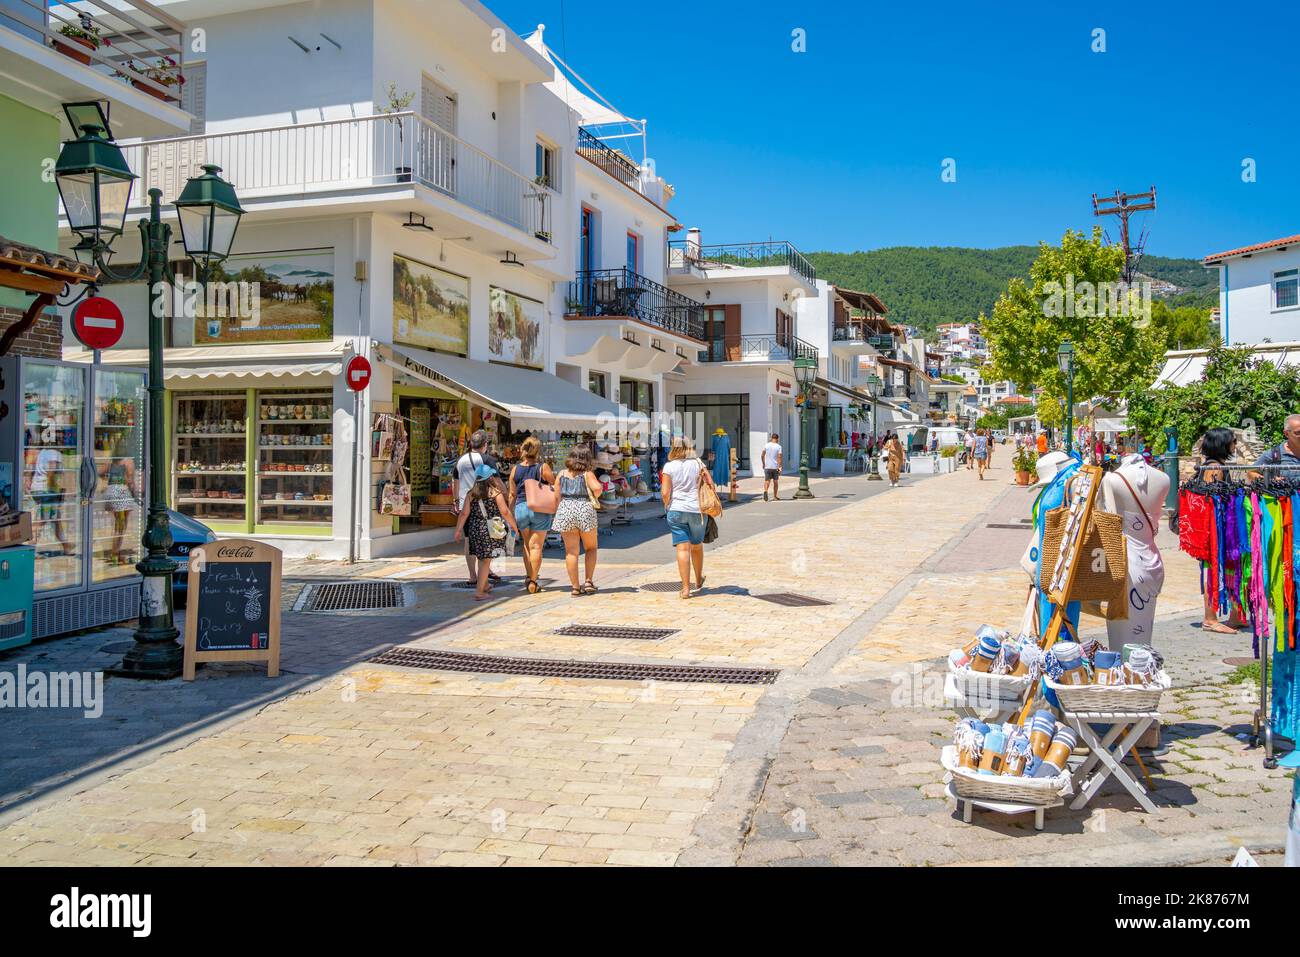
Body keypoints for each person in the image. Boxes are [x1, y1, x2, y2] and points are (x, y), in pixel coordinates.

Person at [1196, 427, 1247, 634]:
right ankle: (1210, 619)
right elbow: (1212, 501)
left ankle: (1236, 616)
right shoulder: (1214, 468)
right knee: (1215, 570)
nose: (1234, 445)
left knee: (1230, 569)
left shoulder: (1216, 465)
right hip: (1216, 530)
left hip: (1223, 528)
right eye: (1232, 441)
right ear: (1222, 443)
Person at [453, 462, 520, 601]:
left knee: (481, 558)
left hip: (475, 528)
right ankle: (479, 592)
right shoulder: (495, 493)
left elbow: (464, 513)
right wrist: (514, 526)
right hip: (491, 528)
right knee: (486, 560)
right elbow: (505, 512)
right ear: (490, 478)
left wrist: (458, 530)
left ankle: (484, 585)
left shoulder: (470, 494)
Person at [661, 437, 716, 600]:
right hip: (697, 510)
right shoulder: (698, 463)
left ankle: (685, 588)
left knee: (682, 549)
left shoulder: (669, 466)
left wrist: (667, 505)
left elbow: (665, 492)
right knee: (697, 546)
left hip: (676, 510)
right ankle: (698, 579)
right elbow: (711, 484)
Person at [551, 446, 603, 596]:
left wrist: (558, 513)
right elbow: (597, 489)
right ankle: (588, 581)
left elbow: (556, 497)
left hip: (565, 509)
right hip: (584, 509)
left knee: (571, 552)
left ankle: (575, 586)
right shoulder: (587, 474)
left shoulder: (561, 474)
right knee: (591, 548)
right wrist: (596, 494)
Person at [453, 430, 500, 588]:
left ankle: (473, 575)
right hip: (487, 505)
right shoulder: (487, 459)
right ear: (485, 445)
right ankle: (485, 571)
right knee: (491, 538)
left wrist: (456, 500)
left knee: (469, 540)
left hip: (466, 503)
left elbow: (456, 482)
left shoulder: (460, 460)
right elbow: (497, 482)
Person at [507, 436, 554, 594]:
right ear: (537, 450)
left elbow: (512, 494)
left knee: (526, 546)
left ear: (522, 450)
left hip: (520, 509)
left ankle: (528, 576)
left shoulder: (515, 469)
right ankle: (533, 581)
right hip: (538, 509)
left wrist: (509, 513)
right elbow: (554, 484)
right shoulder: (542, 467)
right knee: (536, 547)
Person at [97, 434, 138, 564]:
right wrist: (135, 493)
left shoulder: (111, 460)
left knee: (117, 525)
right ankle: (115, 554)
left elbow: (99, 472)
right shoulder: (128, 461)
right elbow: (130, 480)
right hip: (122, 494)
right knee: (121, 526)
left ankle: (114, 551)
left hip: (110, 492)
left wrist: (108, 479)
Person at [761, 433, 783, 501]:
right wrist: (779, 466)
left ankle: (765, 491)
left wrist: (764, 463)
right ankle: (775, 496)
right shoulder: (779, 446)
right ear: (777, 439)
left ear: (771, 438)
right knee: (775, 482)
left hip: (767, 466)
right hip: (775, 467)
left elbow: (762, 455)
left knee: (767, 481)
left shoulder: (766, 445)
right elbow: (779, 457)